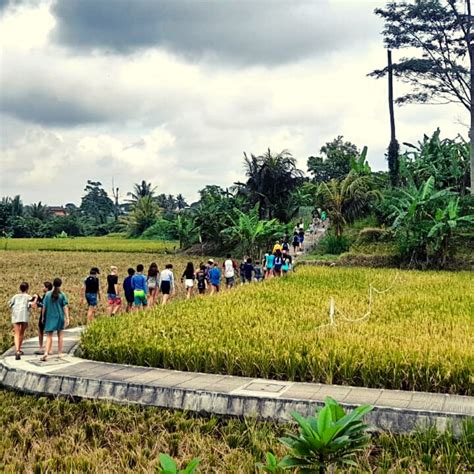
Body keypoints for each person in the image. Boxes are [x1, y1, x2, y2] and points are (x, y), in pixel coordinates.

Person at [40, 278, 69, 361]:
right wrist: (67, 317)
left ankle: (46, 352)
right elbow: (65, 307)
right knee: (60, 335)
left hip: (49, 317)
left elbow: (44, 307)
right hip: (59, 317)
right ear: (60, 284)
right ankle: (59, 353)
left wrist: (43, 317)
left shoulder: (47, 294)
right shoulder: (62, 295)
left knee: (49, 336)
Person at [9, 282, 33, 360]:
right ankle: (19, 349)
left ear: (20, 288)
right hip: (24, 315)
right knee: (21, 333)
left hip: (16, 315)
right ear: (27, 288)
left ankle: (17, 350)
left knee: (16, 333)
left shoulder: (15, 296)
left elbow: (10, 304)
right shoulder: (28, 297)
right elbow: (30, 305)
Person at [33, 281, 53, 355]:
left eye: (44, 287)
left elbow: (44, 305)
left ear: (47, 288)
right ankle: (49, 349)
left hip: (45, 315)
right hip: (50, 315)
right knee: (49, 332)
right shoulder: (50, 294)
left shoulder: (47, 295)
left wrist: (37, 302)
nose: (43, 288)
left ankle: (41, 347)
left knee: (41, 330)